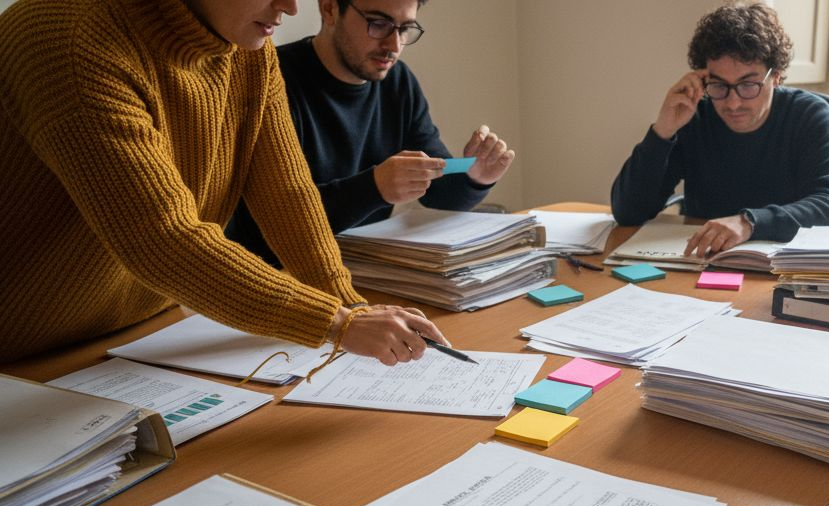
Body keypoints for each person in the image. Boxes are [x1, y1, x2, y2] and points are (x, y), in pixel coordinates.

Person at [0, 0, 448, 366]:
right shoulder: (69, 38)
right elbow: (162, 237)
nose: (291, 8)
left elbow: (287, 193)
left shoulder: (246, 46)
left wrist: (349, 303)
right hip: (22, 353)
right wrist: (335, 322)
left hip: (144, 332)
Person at [227, 0, 515, 266]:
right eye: (378, 24)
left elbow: (437, 192)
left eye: (405, 29)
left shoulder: (399, 83)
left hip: (363, 270)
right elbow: (268, 226)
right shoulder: (269, 81)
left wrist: (476, 178)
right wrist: (373, 188)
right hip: (276, 277)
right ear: (328, 9)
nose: (394, 44)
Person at [610, 2, 829, 260]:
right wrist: (663, 131)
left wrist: (749, 223)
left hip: (780, 268)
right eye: (719, 85)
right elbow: (628, 212)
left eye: (748, 85)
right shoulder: (695, 116)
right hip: (705, 263)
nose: (733, 103)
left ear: (776, 77)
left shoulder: (810, 115)